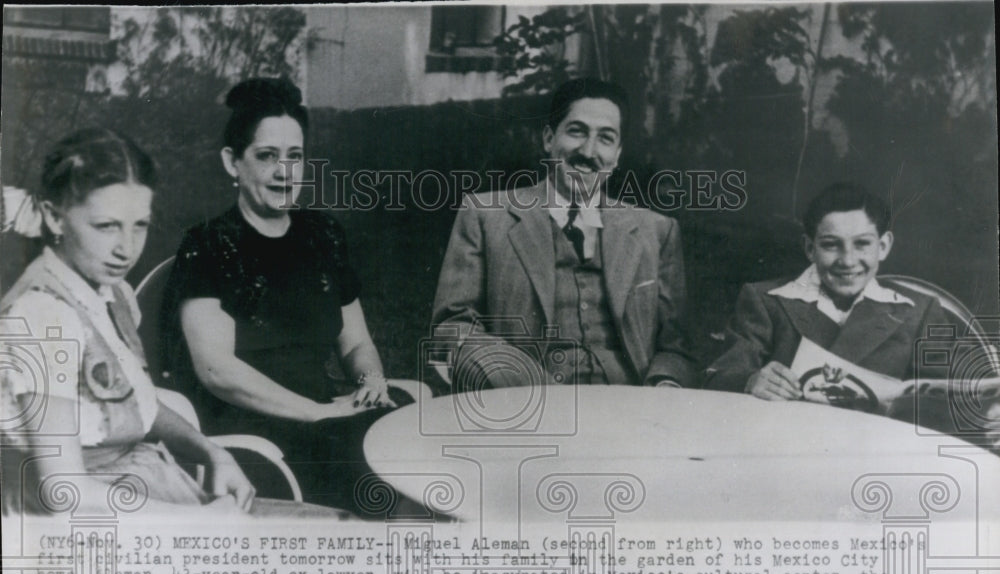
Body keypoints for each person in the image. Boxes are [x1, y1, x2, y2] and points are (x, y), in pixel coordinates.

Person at [0, 128, 342, 517]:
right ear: (53, 217)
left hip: (145, 491)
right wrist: (197, 521)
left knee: (339, 526)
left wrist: (211, 452)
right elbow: (62, 490)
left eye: (139, 225)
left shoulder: (108, 293)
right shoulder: (44, 315)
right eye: (106, 226)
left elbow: (133, 400)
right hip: (86, 525)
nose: (125, 248)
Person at [160, 78, 424, 515]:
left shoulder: (321, 234)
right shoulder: (208, 244)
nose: (285, 172)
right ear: (233, 162)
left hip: (324, 411)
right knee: (378, 462)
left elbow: (356, 342)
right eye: (266, 156)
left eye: (295, 156)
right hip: (253, 424)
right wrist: (314, 413)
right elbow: (216, 370)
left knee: (415, 424)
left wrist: (371, 384)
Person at [432, 77, 696, 389]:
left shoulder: (657, 230)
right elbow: (451, 330)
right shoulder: (486, 215)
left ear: (617, 155)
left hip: (627, 407)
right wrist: (526, 382)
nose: (588, 150)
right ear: (548, 139)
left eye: (605, 138)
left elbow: (676, 347)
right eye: (577, 131)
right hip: (528, 402)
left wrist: (664, 386)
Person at [704, 182, 951, 401]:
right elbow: (719, 377)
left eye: (862, 244)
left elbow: (950, 392)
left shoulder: (920, 310)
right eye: (831, 245)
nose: (847, 260)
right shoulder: (767, 301)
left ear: (883, 246)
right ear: (810, 248)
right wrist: (749, 381)